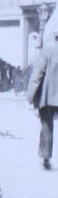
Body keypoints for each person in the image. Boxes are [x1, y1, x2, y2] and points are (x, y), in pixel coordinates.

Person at [27, 38, 58, 170]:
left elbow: (37, 75)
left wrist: (30, 96)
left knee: (47, 127)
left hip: (47, 98)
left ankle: (46, 157)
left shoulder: (47, 52)